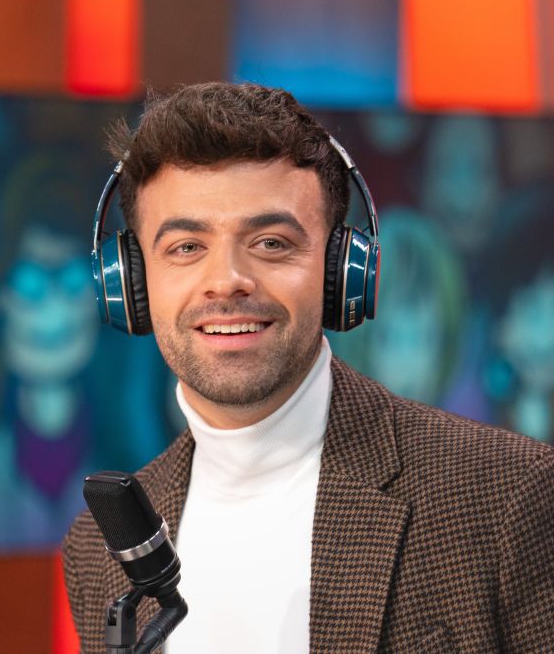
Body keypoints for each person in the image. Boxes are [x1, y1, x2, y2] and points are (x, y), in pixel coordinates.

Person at [63, 82, 554, 653]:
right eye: (187, 247)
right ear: (132, 282)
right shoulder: (99, 551)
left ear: (340, 271)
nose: (227, 280)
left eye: (271, 243)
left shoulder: (506, 496)